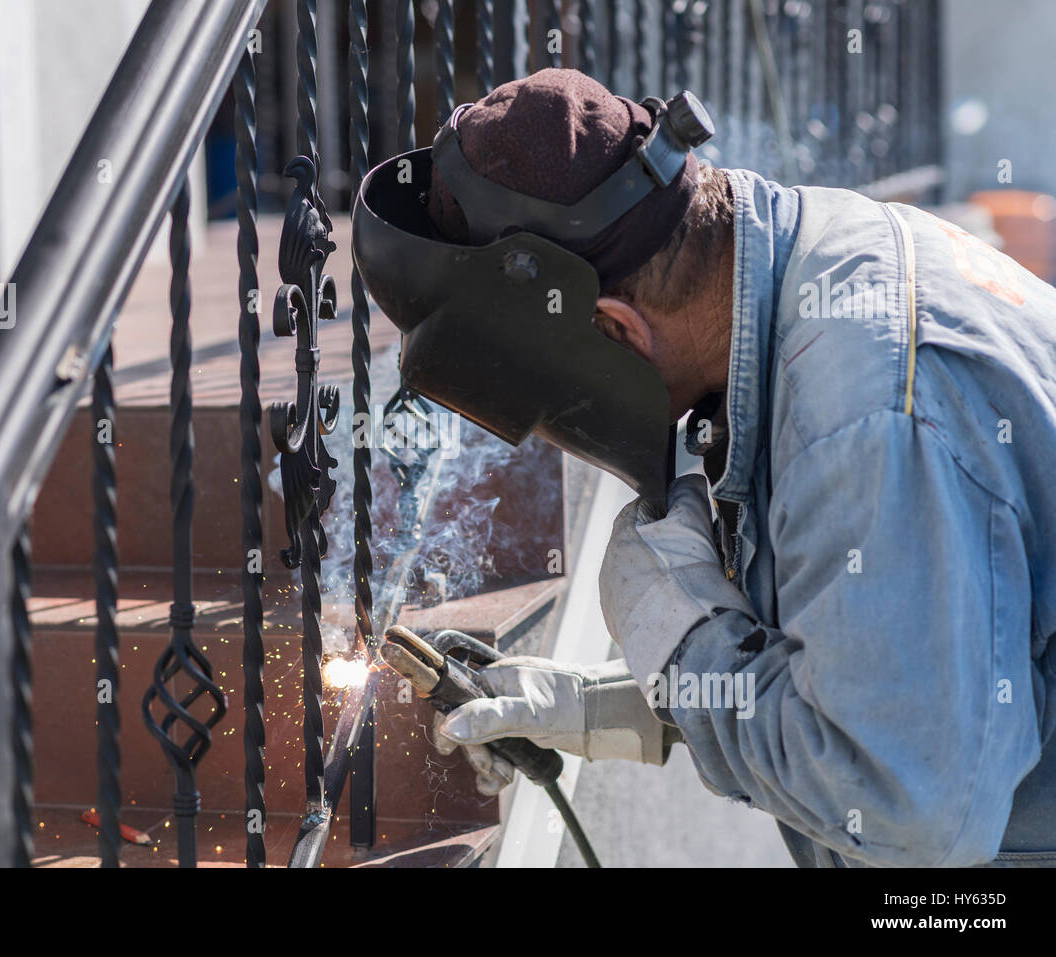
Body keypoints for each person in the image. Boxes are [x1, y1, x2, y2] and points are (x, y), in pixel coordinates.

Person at [351, 68, 1056, 867]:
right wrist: (598, 705)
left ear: (615, 329)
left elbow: (907, 807)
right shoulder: (813, 264)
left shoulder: (860, 421)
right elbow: (883, 666)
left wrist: (685, 650)